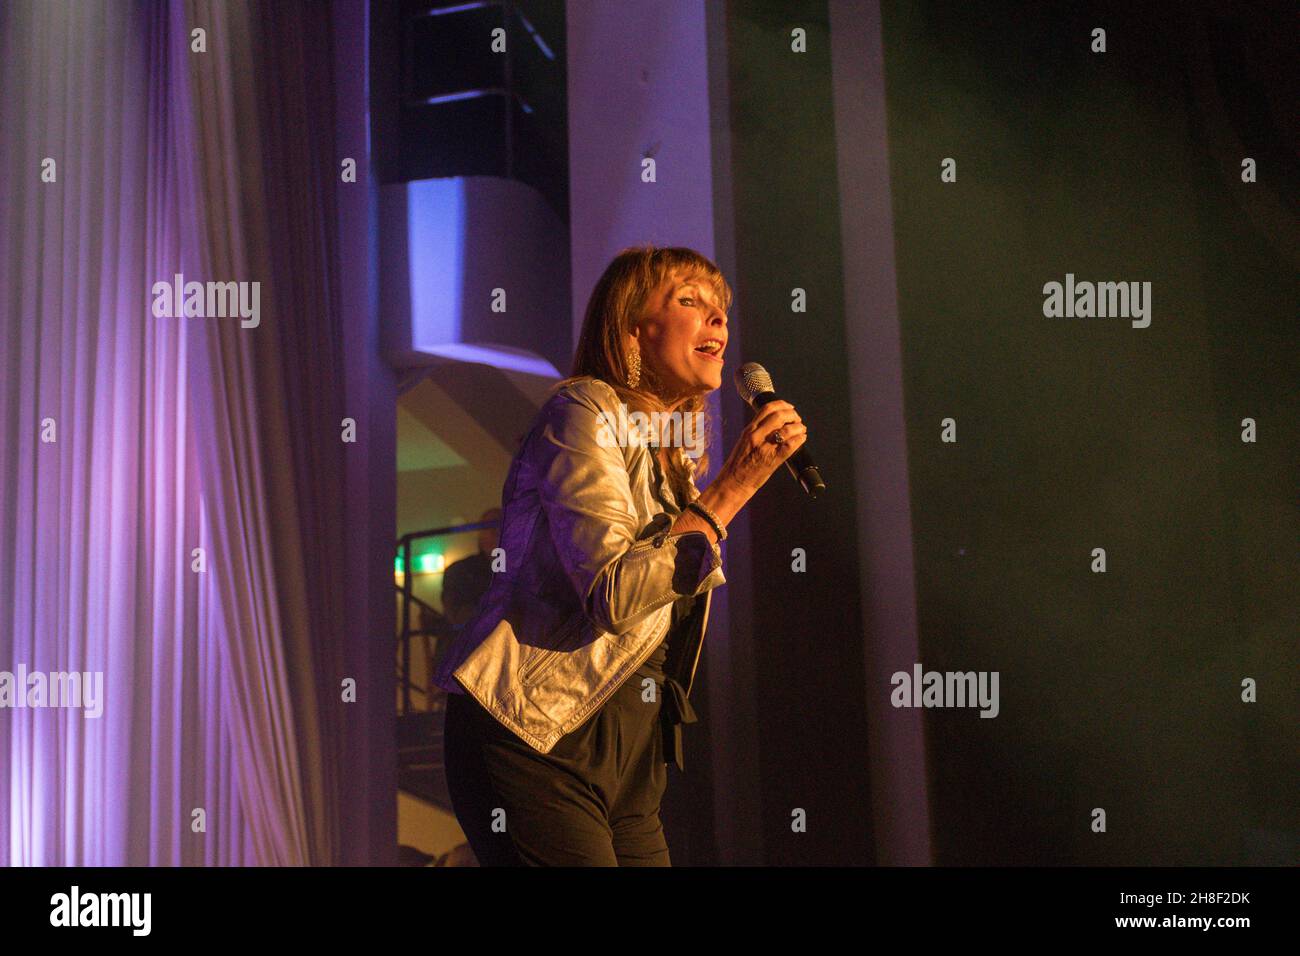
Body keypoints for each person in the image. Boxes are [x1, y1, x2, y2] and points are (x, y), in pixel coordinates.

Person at [433, 245, 808, 866]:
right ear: (633, 327)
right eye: (690, 301)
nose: (717, 320)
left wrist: (712, 494)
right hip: (535, 734)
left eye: (721, 309)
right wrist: (733, 489)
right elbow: (611, 594)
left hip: (630, 759)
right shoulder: (583, 411)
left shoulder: (677, 470)